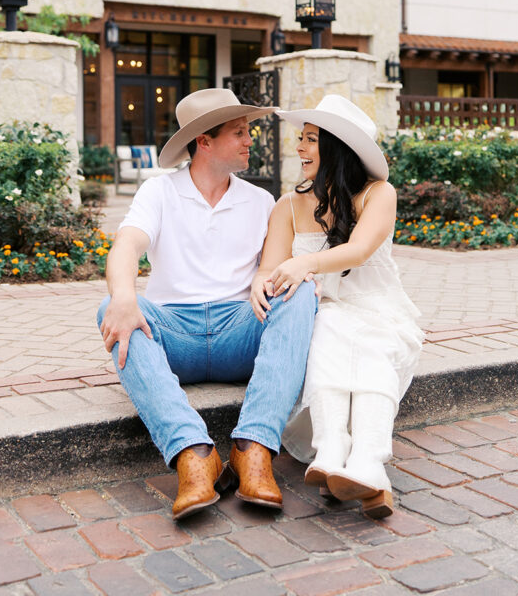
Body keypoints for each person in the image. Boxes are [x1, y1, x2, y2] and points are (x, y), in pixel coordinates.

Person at [98, 88, 316, 521]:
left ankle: (252, 448)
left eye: (248, 131)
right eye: (238, 132)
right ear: (204, 141)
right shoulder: (159, 192)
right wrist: (124, 296)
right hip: (174, 333)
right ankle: (194, 455)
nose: (249, 140)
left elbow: (273, 269)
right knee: (110, 308)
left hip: (240, 327)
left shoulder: (260, 201)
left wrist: (278, 279)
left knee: (301, 289)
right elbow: (128, 243)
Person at [250, 95, 423, 518]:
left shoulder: (379, 194)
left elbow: (359, 250)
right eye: (301, 138)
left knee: (371, 345)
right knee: (328, 329)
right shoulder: (287, 207)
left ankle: (366, 458)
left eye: (311, 139)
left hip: (379, 309)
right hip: (323, 312)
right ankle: (331, 451)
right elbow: (271, 267)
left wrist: (305, 262)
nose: (300, 148)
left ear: (336, 148)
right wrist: (260, 281)